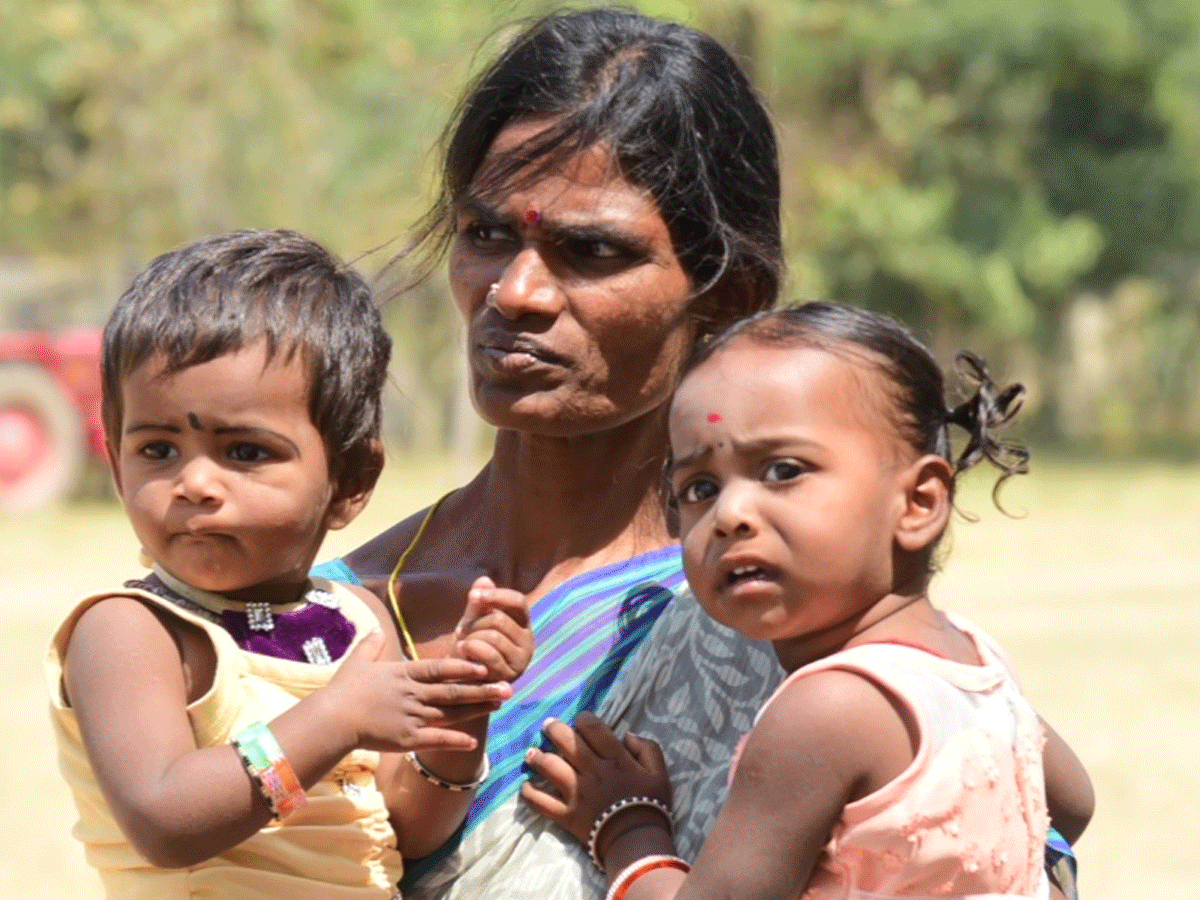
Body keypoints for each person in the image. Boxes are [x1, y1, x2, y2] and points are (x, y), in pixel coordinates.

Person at [315, 7, 1082, 899]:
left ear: (728, 293)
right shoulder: (331, 624)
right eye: (487, 235)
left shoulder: (781, 616)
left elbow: (1026, 852)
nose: (514, 292)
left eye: (590, 249)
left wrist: (627, 836)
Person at [522, 301, 1095, 900]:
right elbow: (1073, 803)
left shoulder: (824, 712)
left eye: (783, 470)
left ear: (919, 503)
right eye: (700, 488)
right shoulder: (976, 661)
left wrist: (627, 827)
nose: (731, 515)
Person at [46, 229, 533, 900]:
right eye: (158, 450)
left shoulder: (358, 624)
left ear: (351, 481)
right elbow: (166, 825)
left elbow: (407, 831)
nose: (194, 484)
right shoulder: (132, 634)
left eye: (244, 452)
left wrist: (461, 717)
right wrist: (336, 720)